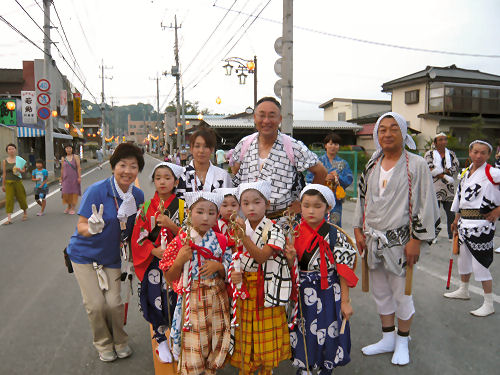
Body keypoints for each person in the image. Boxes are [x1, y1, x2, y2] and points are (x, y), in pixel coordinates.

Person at [353, 112, 439, 366]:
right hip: (372, 240)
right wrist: (358, 229)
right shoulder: (372, 164)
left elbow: (425, 203)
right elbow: (362, 198)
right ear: (377, 135)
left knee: (402, 294)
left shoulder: (417, 164)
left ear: (403, 134)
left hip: (402, 241)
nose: (387, 134)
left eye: (393, 129)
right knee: (380, 292)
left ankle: (403, 339)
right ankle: (388, 337)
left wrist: (416, 240)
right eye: (382, 130)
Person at [66, 143, 145, 362]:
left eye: (133, 166)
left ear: (138, 170)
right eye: (122, 165)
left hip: (113, 258)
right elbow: (81, 226)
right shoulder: (97, 190)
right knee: (96, 305)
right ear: (113, 166)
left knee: (114, 304)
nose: (127, 171)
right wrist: (91, 229)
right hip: (84, 256)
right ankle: (103, 343)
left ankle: (120, 341)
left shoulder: (137, 196)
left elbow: (137, 229)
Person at [285, 184, 358, 374]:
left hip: (329, 293)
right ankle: (305, 368)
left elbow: (343, 271)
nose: (310, 210)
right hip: (301, 292)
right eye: (306, 205)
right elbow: (287, 268)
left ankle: (326, 368)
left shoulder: (335, 235)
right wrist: (291, 258)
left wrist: (345, 301)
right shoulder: (293, 233)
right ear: (299, 207)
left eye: (317, 206)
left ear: (328, 208)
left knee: (328, 331)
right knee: (304, 332)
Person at [159, 191, 232, 375]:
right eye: (200, 212)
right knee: (193, 342)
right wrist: (179, 261)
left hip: (216, 298)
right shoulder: (181, 241)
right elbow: (169, 277)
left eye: (211, 212)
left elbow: (230, 270)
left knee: (214, 337)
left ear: (217, 216)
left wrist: (219, 266)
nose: (205, 217)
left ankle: (210, 370)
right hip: (191, 300)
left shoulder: (221, 241)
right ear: (190, 213)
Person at [229, 180, 291, 374]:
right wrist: (234, 273)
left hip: (266, 290)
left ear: (268, 204)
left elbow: (262, 256)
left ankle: (266, 370)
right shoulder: (240, 226)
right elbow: (233, 256)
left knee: (265, 338)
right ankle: (246, 369)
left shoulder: (275, 229)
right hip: (245, 289)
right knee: (247, 335)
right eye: (245, 203)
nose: (251, 207)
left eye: (257, 202)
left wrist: (244, 237)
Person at [231, 97, 327, 219]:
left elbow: (321, 172)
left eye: (272, 115)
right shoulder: (244, 143)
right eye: (261, 115)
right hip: (248, 220)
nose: (266, 121)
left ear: (280, 119)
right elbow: (235, 172)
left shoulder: (293, 146)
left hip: (283, 220)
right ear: (255, 118)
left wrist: (302, 203)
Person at [131, 162, 185, 363]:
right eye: (158, 177)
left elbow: (190, 234)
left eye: (167, 177)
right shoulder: (145, 208)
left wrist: (172, 225)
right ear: (153, 181)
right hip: (154, 262)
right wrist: (154, 250)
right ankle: (161, 338)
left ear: (176, 181)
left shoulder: (182, 206)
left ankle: (176, 335)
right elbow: (138, 237)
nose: (162, 181)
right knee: (156, 298)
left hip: (177, 261)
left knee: (176, 298)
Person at [443, 140, 500, 317]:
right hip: (464, 222)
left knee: (480, 263)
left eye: (483, 153)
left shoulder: (494, 172)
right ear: (470, 152)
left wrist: (498, 209)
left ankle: (489, 303)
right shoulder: (466, 172)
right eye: (475, 152)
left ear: (488, 155)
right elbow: (460, 197)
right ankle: (464, 289)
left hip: (482, 224)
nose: (478, 155)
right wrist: (456, 218)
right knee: (464, 259)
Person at [306, 132, 353, 226]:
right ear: (326, 145)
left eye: (336, 144)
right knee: (318, 225)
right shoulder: (318, 162)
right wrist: (323, 177)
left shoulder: (342, 163)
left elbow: (349, 179)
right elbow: (309, 178)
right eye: (330, 144)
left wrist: (338, 178)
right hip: (319, 199)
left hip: (336, 201)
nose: (333, 146)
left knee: (334, 226)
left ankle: (335, 240)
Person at [177, 127, 233, 199]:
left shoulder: (223, 176)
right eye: (197, 146)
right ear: (191, 149)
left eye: (206, 146)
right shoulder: (181, 175)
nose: (201, 150)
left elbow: (229, 204)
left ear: (212, 149)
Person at [424, 133, 460, 242]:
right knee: (433, 213)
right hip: (433, 188)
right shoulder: (429, 154)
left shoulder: (451, 154)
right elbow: (429, 169)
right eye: (440, 140)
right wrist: (445, 174)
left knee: (450, 213)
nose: (443, 141)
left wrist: (439, 171)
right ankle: (433, 235)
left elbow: (455, 168)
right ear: (435, 142)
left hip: (448, 188)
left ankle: (451, 235)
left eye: (445, 139)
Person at [2, 143, 28, 224]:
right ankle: (9, 219)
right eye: (9, 149)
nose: (11, 150)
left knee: (21, 197)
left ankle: (25, 212)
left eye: (12, 149)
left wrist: (20, 170)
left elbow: (24, 171)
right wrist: (3, 184)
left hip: (17, 181)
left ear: (15, 150)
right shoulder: (4, 161)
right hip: (8, 182)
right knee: (9, 199)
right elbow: (4, 173)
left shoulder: (20, 159)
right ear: (7, 151)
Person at [60, 144, 82, 215]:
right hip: (66, 178)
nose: (68, 149)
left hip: (74, 177)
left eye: (70, 148)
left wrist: (79, 177)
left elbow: (78, 167)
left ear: (72, 149)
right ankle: (68, 206)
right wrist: (61, 178)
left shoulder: (75, 157)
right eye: (67, 148)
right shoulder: (63, 158)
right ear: (65, 149)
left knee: (74, 192)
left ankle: (73, 207)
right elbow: (62, 168)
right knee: (66, 192)